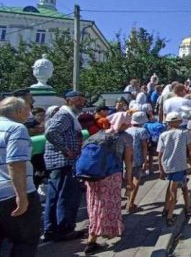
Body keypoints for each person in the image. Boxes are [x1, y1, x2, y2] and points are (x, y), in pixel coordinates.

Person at [83, 112, 134, 254]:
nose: (128, 124)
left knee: (94, 204)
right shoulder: (125, 137)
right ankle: (110, 231)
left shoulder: (98, 134)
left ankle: (92, 237)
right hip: (111, 175)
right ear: (121, 123)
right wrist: (129, 180)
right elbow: (128, 160)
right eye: (126, 122)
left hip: (92, 176)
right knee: (110, 205)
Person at [0, 97, 42, 256]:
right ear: (18, 111)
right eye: (27, 109)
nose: (29, 113)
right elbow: (15, 164)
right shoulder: (16, 128)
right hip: (13, 194)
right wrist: (22, 197)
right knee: (25, 242)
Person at [43, 91, 86, 242]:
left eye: (82, 100)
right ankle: (63, 229)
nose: (81, 103)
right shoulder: (65, 115)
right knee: (65, 196)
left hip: (62, 162)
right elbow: (51, 133)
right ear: (68, 101)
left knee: (55, 196)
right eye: (77, 100)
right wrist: (66, 150)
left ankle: (51, 228)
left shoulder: (68, 115)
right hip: (63, 162)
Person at [157, 112, 191, 226]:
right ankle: (170, 216)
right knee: (174, 191)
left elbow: (159, 154)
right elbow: (190, 148)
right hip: (179, 165)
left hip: (167, 164)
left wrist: (160, 169)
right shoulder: (184, 133)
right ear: (179, 122)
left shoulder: (163, 135)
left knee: (182, 186)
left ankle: (184, 208)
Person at [125, 112, 150, 213]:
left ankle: (128, 201)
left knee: (128, 180)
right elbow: (144, 146)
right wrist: (145, 159)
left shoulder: (127, 130)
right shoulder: (142, 130)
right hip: (138, 158)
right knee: (136, 180)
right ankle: (130, 204)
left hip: (126, 158)